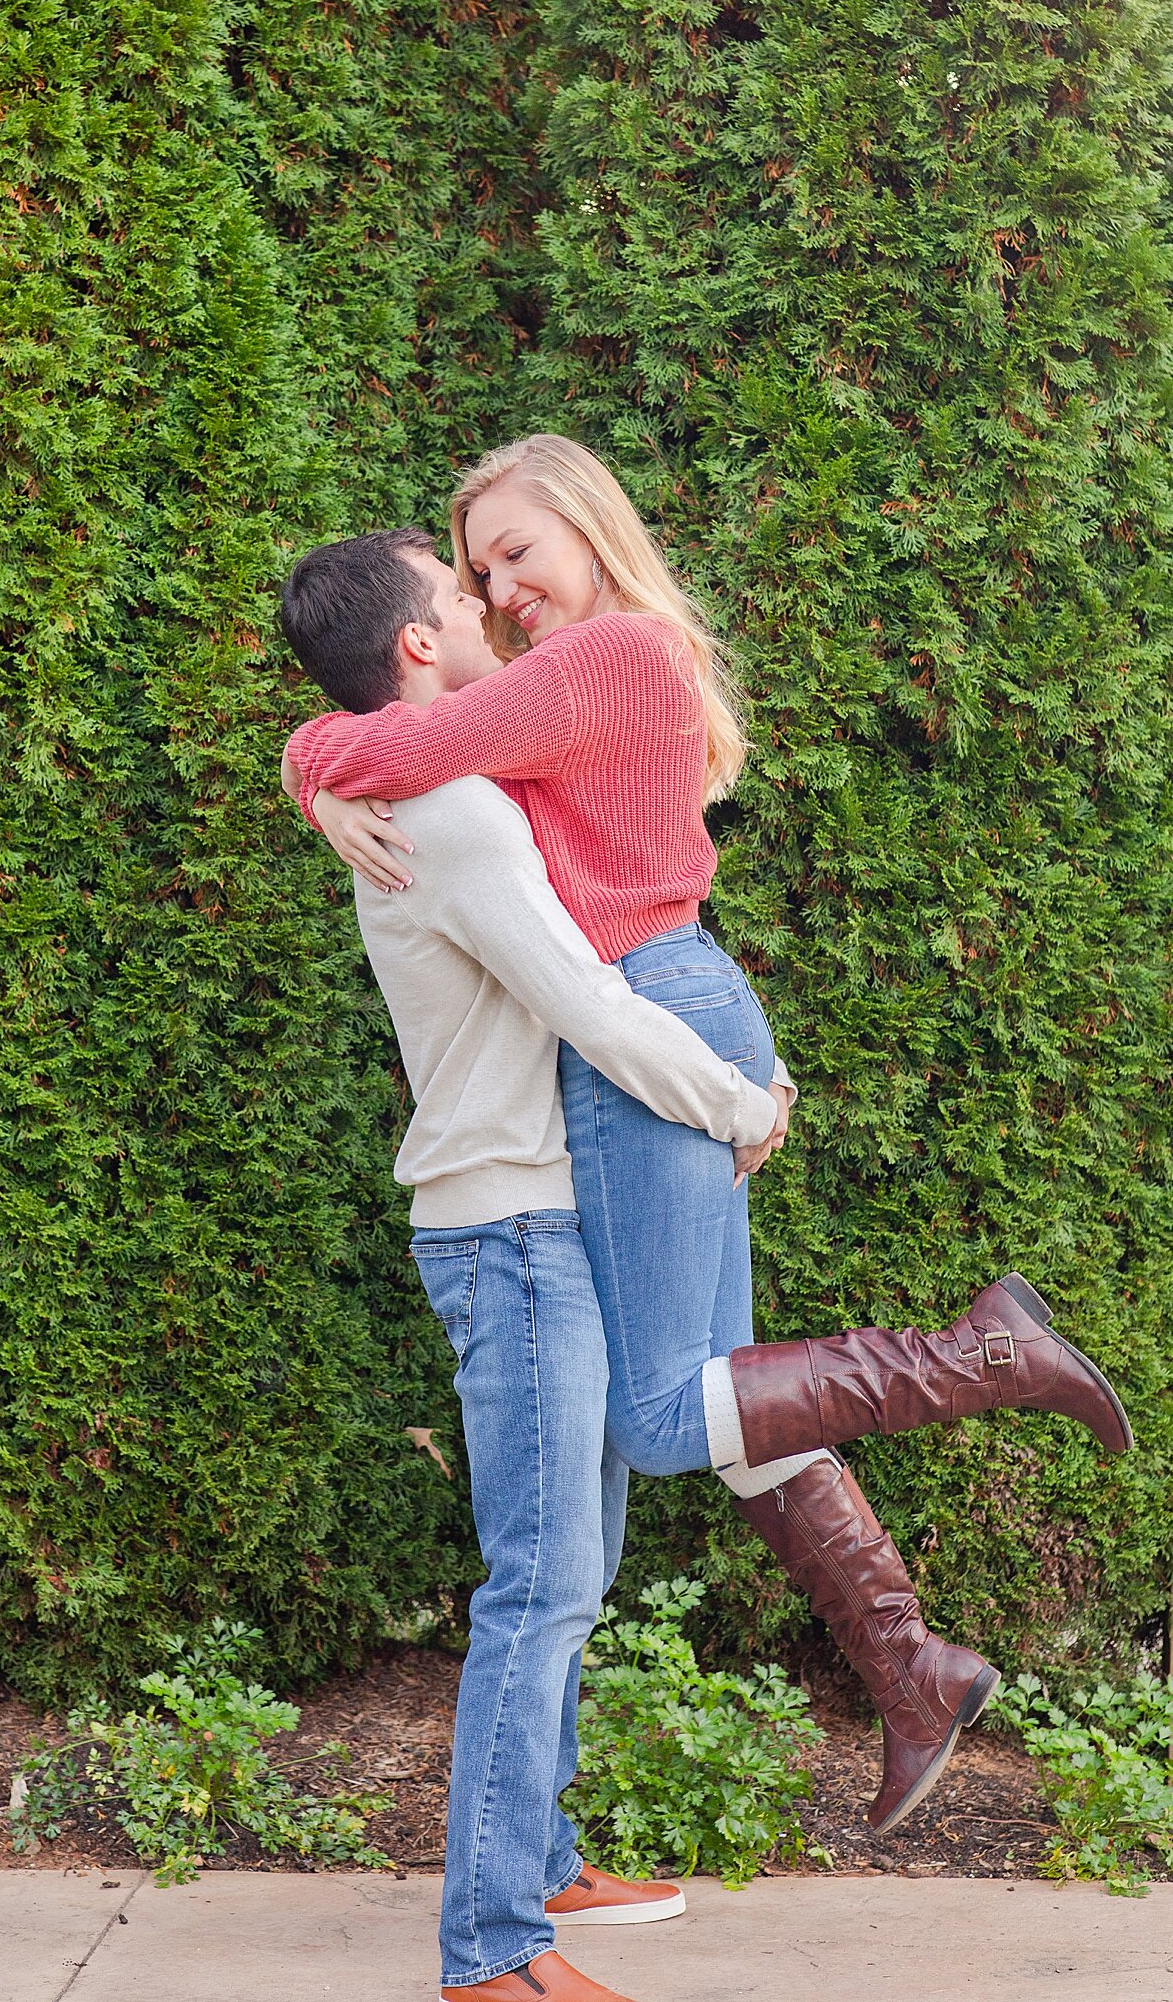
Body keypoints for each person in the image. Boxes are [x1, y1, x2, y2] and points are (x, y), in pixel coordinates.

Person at [281, 436, 1132, 1870]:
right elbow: (421, 731)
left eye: (518, 550)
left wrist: (310, 760)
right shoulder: (594, 667)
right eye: (479, 565)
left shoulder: (608, 652)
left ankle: (988, 1355)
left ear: (588, 526)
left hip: (645, 1017)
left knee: (668, 1415)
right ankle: (908, 1661)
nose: (504, 585)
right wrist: (327, 763)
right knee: (728, 1394)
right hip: (672, 1003)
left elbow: (401, 738)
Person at [280, 526, 794, 2002]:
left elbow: (355, 738)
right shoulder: (446, 804)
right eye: (458, 589)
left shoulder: (437, 778)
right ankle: (492, 1948)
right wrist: (737, 1101)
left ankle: (545, 1854)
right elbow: (581, 1000)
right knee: (543, 1582)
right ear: (420, 648)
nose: (490, 600)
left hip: (537, 1213)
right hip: (510, 1228)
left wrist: (314, 761)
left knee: (576, 1559)